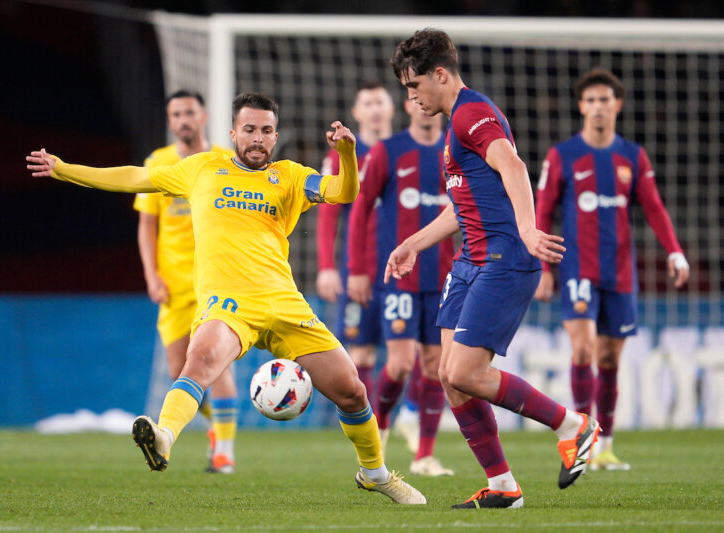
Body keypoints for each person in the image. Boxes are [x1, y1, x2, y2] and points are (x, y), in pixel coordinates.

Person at [26, 92, 425, 505]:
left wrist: (346, 154)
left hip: (285, 304)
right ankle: (164, 437)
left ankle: (375, 474)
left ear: (276, 136)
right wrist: (64, 169)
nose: (258, 138)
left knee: (352, 391)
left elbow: (343, 192)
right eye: (249, 129)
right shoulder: (202, 168)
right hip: (229, 305)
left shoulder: (290, 175)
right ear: (233, 133)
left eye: (266, 131)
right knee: (199, 361)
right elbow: (134, 177)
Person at [386, 29, 597, 509]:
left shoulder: (472, 113)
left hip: (503, 257)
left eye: (415, 85)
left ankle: (573, 425)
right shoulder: (454, 124)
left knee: (466, 371)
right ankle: (503, 486)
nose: (412, 97)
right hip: (470, 260)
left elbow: (514, 167)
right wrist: (413, 244)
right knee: (449, 374)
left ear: (441, 74)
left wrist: (527, 229)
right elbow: (462, 206)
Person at [534, 68, 690, 471]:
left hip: (620, 272)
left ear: (617, 105)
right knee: (583, 348)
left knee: (609, 359)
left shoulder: (632, 156)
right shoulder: (562, 156)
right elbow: (543, 211)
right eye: (591, 100)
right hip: (577, 269)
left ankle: (605, 447)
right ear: (581, 107)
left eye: (604, 99)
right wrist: (542, 267)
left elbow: (654, 207)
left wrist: (674, 252)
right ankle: (581, 437)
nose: (598, 107)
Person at [134, 90, 239, 474]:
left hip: (216, 282)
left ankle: (224, 451)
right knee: (183, 370)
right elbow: (147, 226)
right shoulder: (158, 163)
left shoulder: (225, 162)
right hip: (175, 286)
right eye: (176, 114)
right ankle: (215, 428)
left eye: (189, 112)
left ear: (204, 116)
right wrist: (152, 275)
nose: (183, 120)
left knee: (217, 363)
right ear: (170, 119)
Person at [347, 97, 453, 476]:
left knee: (436, 365)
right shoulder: (388, 151)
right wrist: (357, 268)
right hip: (400, 276)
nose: (422, 104)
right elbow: (361, 207)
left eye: (426, 96)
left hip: (442, 276)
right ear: (406, 105)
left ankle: (425, 455)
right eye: (413, 97)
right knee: (401, 363)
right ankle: (381, 428)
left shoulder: (455, 150)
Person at [316, 81, 393, 408]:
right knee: (361, 351)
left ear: (392, 108)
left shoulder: (405, 149)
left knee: (416, 350)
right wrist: (327, 266)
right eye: (368, 103)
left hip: (405, 268)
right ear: (356, 112)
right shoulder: (343, 156)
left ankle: (409, 418)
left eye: (380, 102)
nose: (375, 110)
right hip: (359, 269)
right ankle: (367, 421)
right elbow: (327, 214)